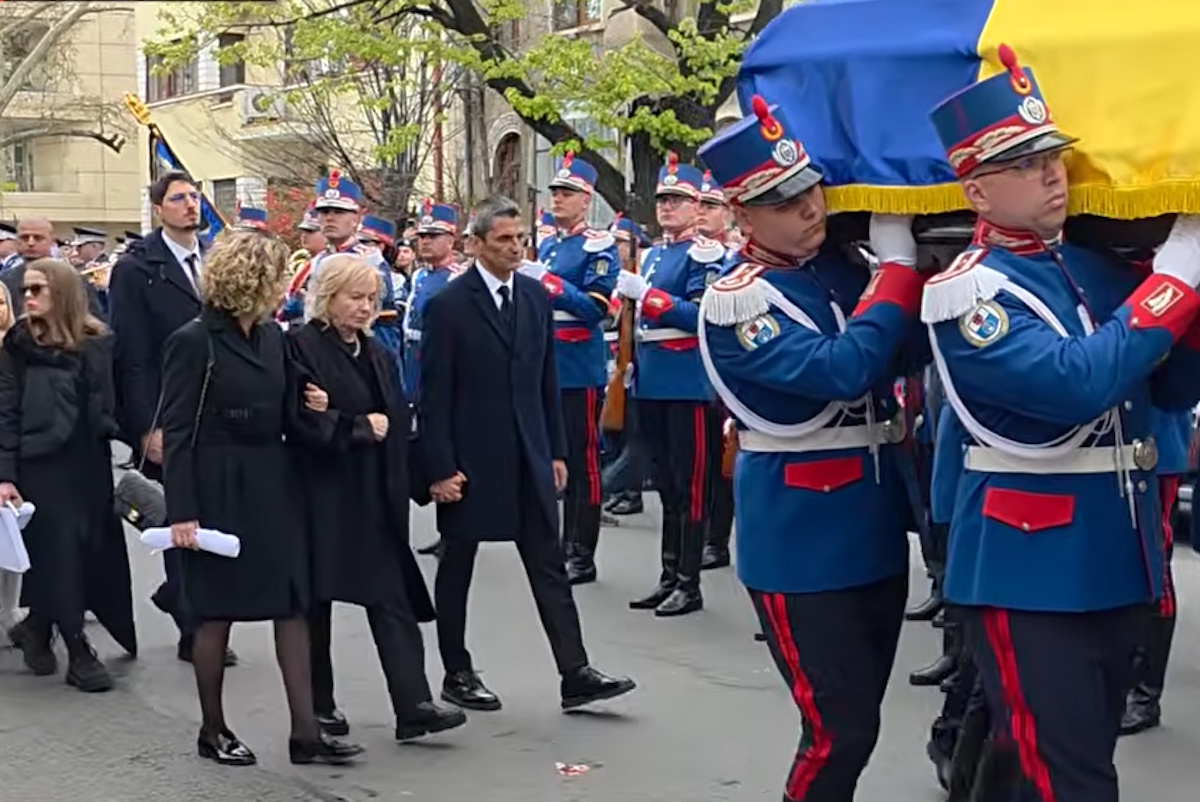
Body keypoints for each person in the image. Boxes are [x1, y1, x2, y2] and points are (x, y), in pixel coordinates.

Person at [924, 44, 1200, 800]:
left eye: (1053, 155)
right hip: (1029, 567)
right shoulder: (969, 293)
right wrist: (1175, 283)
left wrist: (1188, 312)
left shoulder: (1093, 270)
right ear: (977, 192)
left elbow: (1167, 391)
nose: (1052, 173)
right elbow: (1078, 385)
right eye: (1024, 162)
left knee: (1059, 765)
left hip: (1115, 553)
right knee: (1070, 780)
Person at [696, 94, 927, 802]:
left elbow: (906, 348)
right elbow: (844, 369)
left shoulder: (835, 270)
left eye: (811, 192)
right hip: (802, 538)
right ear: (742, 215)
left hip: (873, 519)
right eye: (784, 201)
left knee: (861, 723)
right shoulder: (739, 302)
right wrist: (894, 271)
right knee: (837, 730)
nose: (809, 210)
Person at [420, 195, 636, 712]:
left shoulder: (535, 297)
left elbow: (545, 378)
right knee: (458, 564)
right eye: (503, 240)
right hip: (471, 459)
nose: (516, 248)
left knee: (548, 562)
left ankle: (574, 671)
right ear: (475, 244)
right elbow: (434, 396)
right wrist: (440, 467)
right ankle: (456, 670)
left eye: (521, 239)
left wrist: (556, 450)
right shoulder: (449, 306)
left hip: (530, 454)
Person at [160, 230, 362, 766]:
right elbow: (177, 431)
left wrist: (313, 398)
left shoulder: (272, 337)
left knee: (290, 604)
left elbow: (289, 399)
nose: (285, 290)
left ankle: (305, 733)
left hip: (273, 483)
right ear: (255, 281)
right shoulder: (193, 340)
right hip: (218, 483)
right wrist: (183, 512)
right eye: (278, 279)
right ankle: (213, 729)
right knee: (215, 612)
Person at [287, 255, 466, 742]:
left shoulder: (379, 352)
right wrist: (358, 426)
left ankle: (414, 705)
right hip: (322, 495)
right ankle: (318, 705)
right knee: (315, 603)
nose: (365, 308)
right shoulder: (300, 348)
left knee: (391, 597)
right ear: (328, 297)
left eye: (371, 298)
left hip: (376, 494)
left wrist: (426, 477)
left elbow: (400, 422)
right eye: (355, 298)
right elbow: (301, 422)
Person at [108, 170, 237, 667]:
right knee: (180, 514)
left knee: (217, 513)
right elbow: (133, 355)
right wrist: (146, 425)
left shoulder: (216, 257)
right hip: (171, 409)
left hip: (221, 408)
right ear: (159, 209)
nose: (191, 205)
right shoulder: (139, 268)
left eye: (195, 197)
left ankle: (186, 598)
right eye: (179, 198)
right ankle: (193, 626)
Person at [0, 259, 135, 692]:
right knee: (60, 554)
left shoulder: (96, 343)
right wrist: (5, 476)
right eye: (26, 289)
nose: (29, 297)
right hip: (40, 466)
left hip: (89, 464)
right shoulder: (16, 349)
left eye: (39, 288)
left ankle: (37, 627)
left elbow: (114, 403)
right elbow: (4, 416)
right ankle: (78, 650)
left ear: (64, 293)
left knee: (90, 549)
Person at [615, 153, 725, 618]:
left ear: (697, 205)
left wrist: (651, 298)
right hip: (654, 379)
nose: (667, 207)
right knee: (666, 486)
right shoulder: (656, 253)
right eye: (662, 199)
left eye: (677, 200)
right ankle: (668, 575)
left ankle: (689, 582)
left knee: (692, 484)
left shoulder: (708, 254)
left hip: (688, 380)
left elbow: (704, 316)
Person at [521, 152, 619, 585]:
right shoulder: (549, 245)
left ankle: (582, 551)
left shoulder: (599, 245)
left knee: (582, 462)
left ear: (586, 200)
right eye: (555, 192)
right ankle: (559, 544)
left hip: (577, 364)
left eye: (567, 193)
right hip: (545, 361)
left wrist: (552, 285)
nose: (557, 199)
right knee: (550, 456)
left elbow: (595, 310)